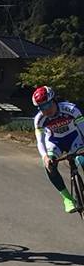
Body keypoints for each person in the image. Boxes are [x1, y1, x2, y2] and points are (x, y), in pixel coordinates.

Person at [31, 85, 84, 213]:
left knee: (81, 160)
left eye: (47, 105)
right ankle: (67, 198)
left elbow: (83, 127)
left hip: (74, 138)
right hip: (55, 143)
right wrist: (45, 157)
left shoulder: (71, 109)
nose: (45, 110)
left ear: (54, 100)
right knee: (49, 165)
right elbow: (40, 140)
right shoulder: (39, 119)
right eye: (41, 107)